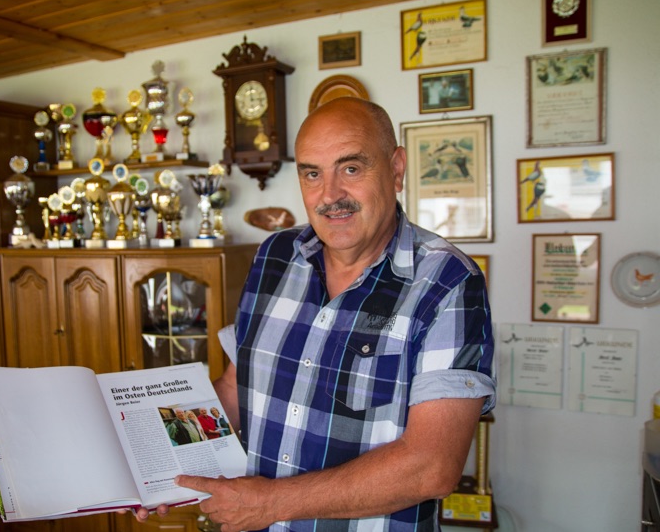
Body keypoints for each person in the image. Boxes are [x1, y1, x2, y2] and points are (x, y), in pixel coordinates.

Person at [138, 97, 495, 531]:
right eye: (312, 174)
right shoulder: (274, 256)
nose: (330, 196)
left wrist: (271, 504)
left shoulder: (449, 281)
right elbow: (235, 390)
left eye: (351, 168)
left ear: (397, 169)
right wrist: (156, 467)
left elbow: (431, 466)